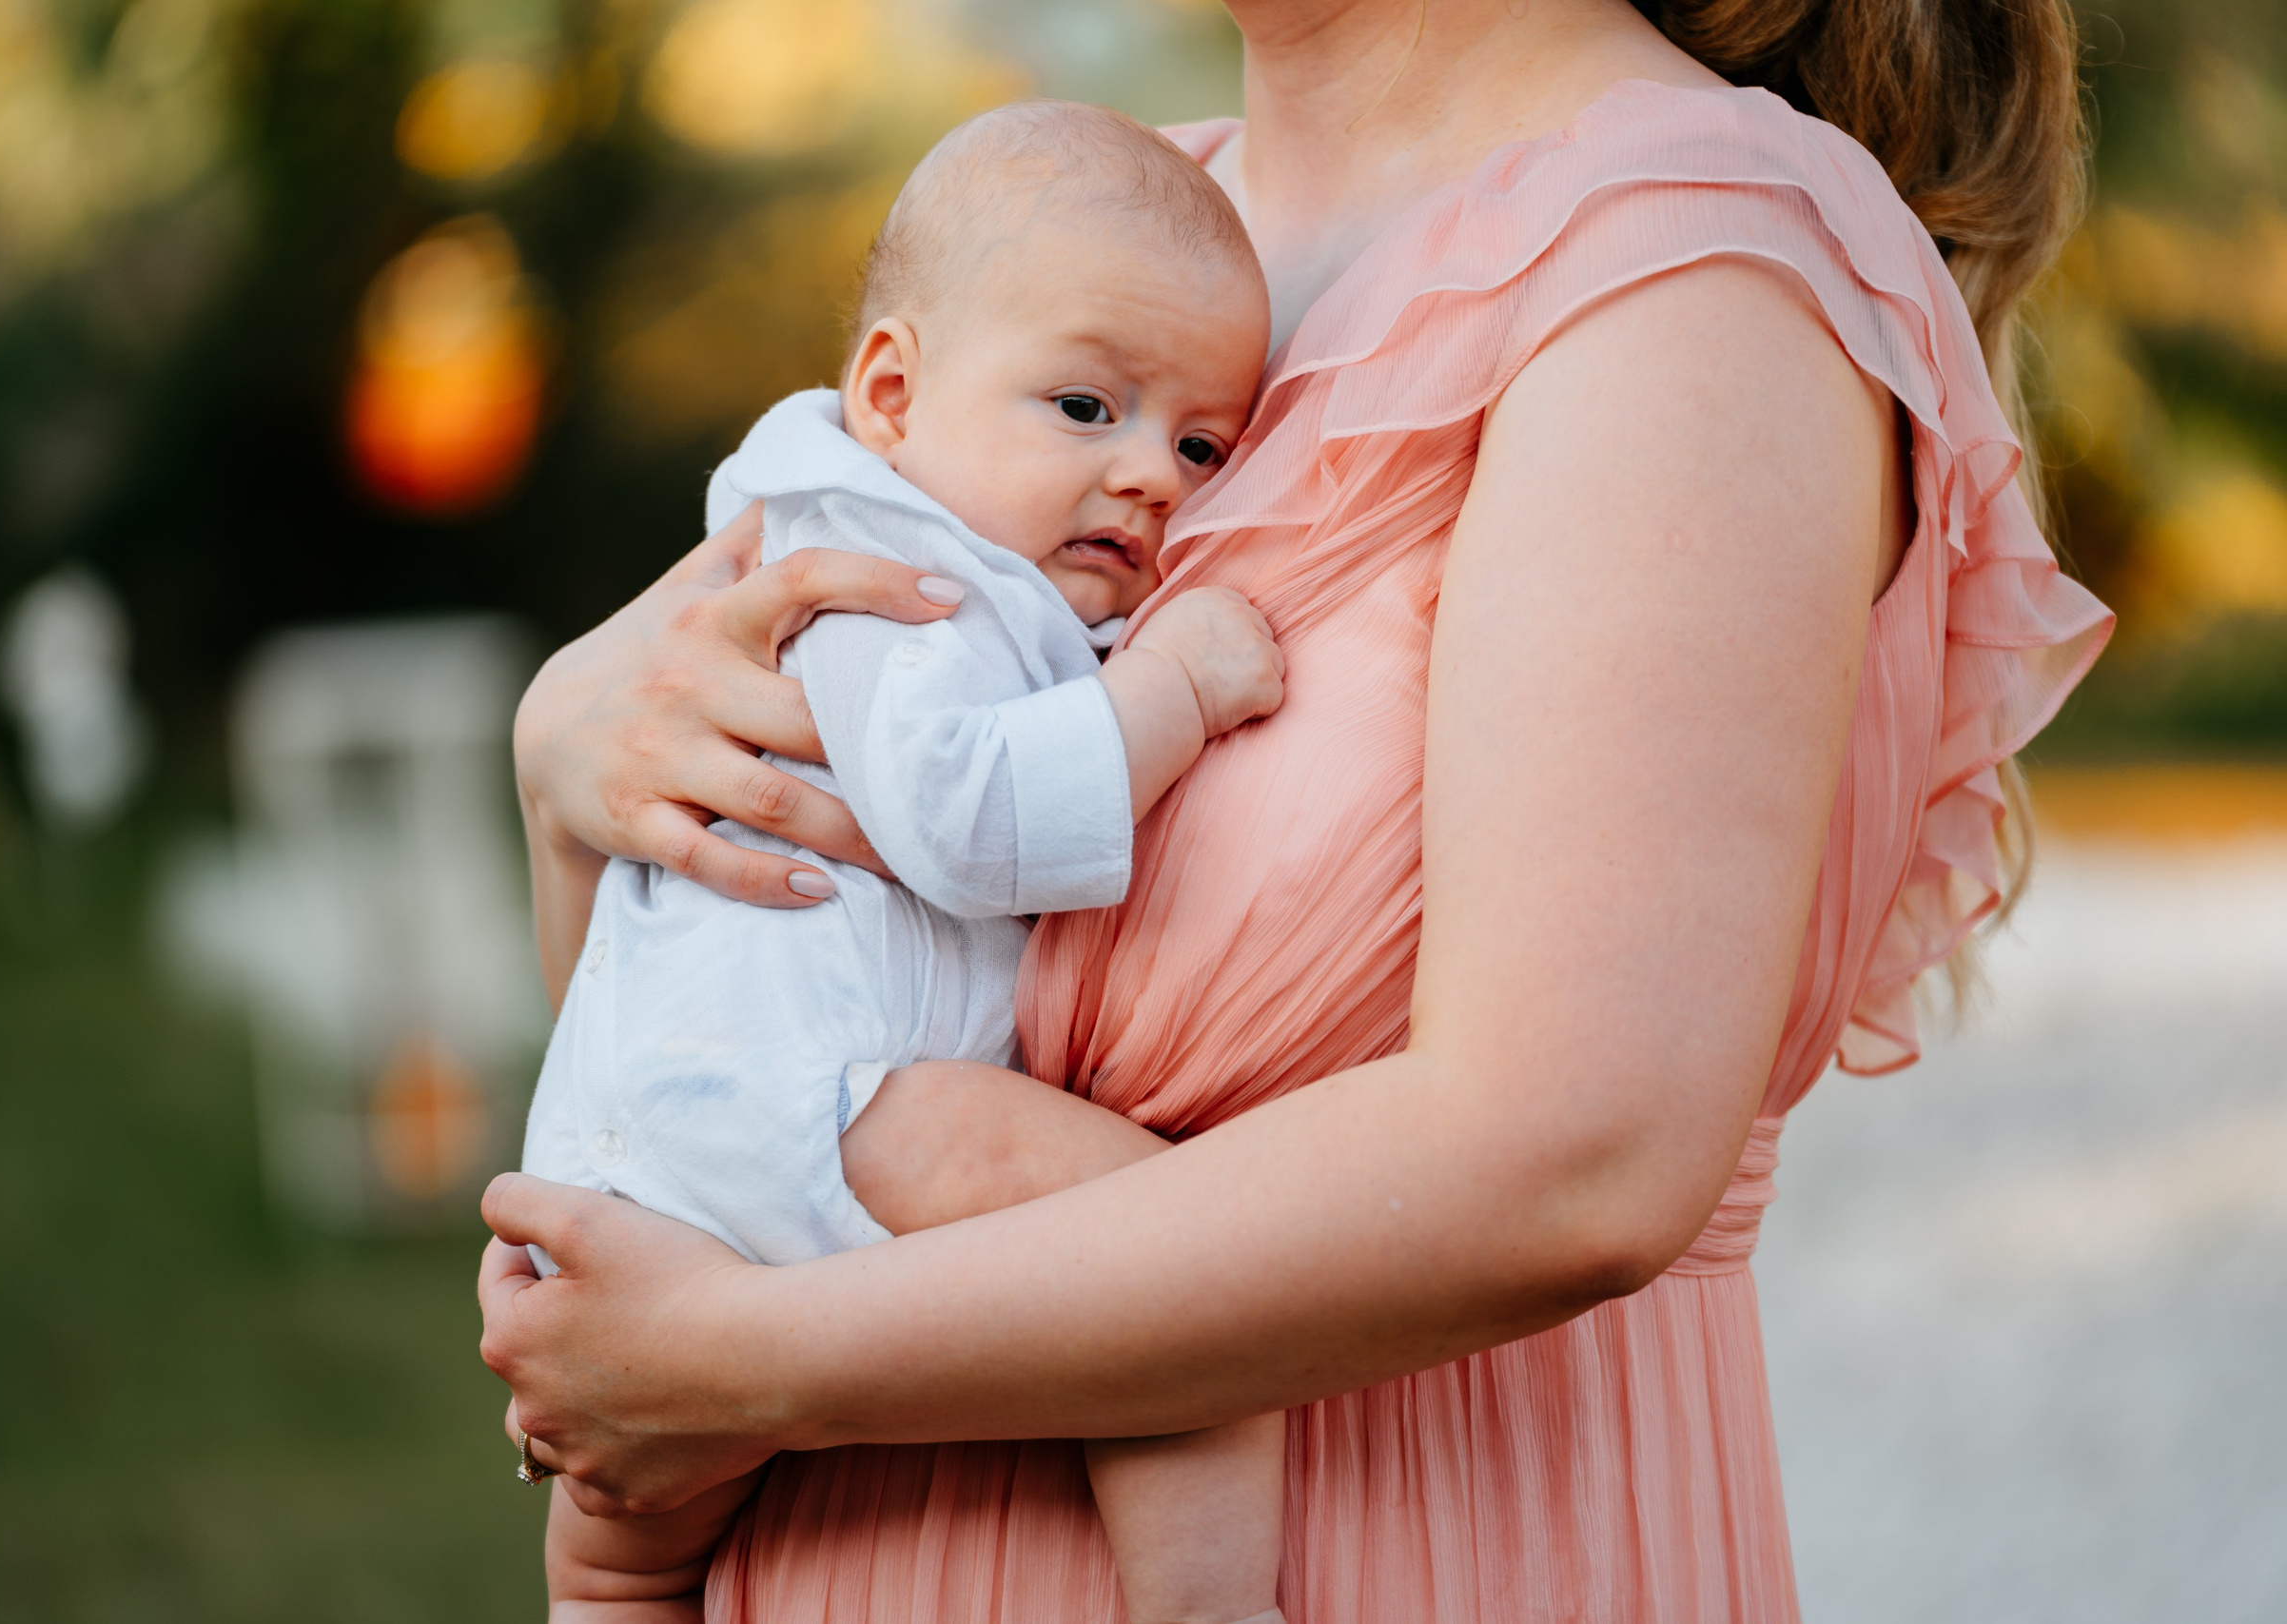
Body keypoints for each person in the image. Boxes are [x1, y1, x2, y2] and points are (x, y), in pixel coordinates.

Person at [481, 0, 2118, 1616]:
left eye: (1192, 447)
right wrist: (564, 776)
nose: (1152, 464)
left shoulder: (1692, 264)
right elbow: (746, 976)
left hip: (1420, 1544)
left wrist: (740, 1365)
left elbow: (1574, 1164)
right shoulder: (1117, 241)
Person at [526, 102, 1291, 1624]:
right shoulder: (894, 586)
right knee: (1178, 1264)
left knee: (630, 1547)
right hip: (810, 1103)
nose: (1152, 473)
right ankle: (1209, 1603)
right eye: (1087, 406)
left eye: (1200, 444)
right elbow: (970, 825)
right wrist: (1174, 690)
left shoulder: (912, 555)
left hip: (662, 1142)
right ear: (892, 390)